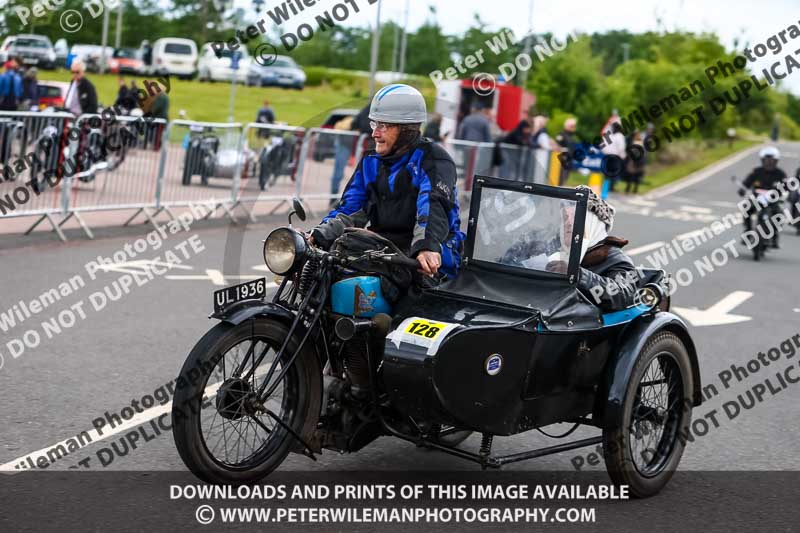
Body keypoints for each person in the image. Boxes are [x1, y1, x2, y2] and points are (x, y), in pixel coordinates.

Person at [311, 84, 465, 279]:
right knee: (327, 276)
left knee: (407, 301)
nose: (375, 133)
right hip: (382, 250)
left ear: (407, 129)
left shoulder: (433, 160)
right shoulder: (371, 161)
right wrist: (318, 236)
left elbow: (432, 207)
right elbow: (350, 207)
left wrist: (426, 247)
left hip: (432, 254)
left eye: (384, 125)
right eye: (375, 124)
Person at [739, 146, 788, 247]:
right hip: (757, 200)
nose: (769, 162)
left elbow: (786, 186)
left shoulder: (780, 174)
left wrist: (787, 190)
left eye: (772, 160)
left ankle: (774, 237)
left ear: (776, 161)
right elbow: (747, 183)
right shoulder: (756, 171)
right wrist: (742, 189)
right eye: (766, 160)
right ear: (762, 160)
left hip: (773, 201)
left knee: (780, 215)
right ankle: (748, 232)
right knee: (746, 208)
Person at [329, 113, 356, 205]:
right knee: (338, 173)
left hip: (353, 146)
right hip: (344, 145)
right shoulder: (350, 119)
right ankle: (333, 198)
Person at [600, 120, 626, 192]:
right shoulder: (620, 136)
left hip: (607, 156)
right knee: (614, 172)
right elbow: (621, 148)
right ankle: (611, 187)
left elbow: (602, 146)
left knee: (607, 172)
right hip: (615, 156)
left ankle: (606, 186)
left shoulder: (608, 135)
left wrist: (606, 152)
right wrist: (623, 156)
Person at [555, 117, 578, 186]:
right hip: (562, 159)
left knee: (566, 176)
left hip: (569, 159)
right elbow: (557, 146)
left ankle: (561, 187)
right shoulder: (561, 135)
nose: (574, 128)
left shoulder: (571, 136)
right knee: (561, 176)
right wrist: (563, 150)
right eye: (572, 126)